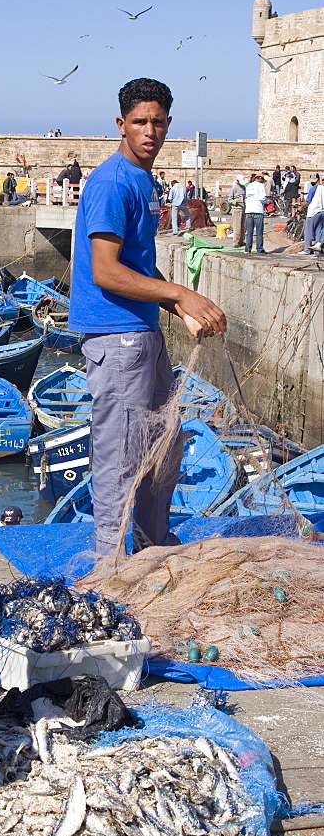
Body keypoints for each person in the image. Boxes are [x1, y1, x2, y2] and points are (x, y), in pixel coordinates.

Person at [68, 77, 226, 559]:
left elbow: (135, 266)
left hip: (143, 333)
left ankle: (152, 545)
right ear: (121, 124)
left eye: (158, 122)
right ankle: (110, 567)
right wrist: (178, 290)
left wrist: (175, 304)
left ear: (169, 125)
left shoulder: (143, 180)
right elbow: (106, 271)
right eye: (140, 122)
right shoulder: (113, 182)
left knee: (163, 446)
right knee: (120, 457)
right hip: (116, 340)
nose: (149, 131)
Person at [244, 173, 267, 254]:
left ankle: (247, 248)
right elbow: (262, 198)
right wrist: (268, 201)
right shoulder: (260, 186)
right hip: (258, 210)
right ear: (260, 178)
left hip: (249, 210)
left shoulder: (249, 186)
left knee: (249, 231)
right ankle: (259, 248)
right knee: (259, 231)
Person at [303, 179, 324, 255]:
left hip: (313, 212)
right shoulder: (323, 188)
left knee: (308, 231)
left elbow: (307, 201)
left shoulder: (313, 188)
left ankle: (307, 249)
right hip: (321, 211)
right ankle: (317, 251)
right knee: (319, 231)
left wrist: (300, 207)